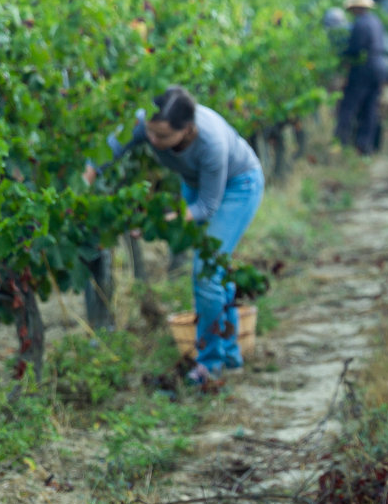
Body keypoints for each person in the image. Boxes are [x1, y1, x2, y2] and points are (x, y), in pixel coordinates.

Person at [86, 87, 266, 387]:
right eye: (150, 132)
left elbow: (206, 207)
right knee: (215, 270)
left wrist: (157, 224)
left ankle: (210, 363)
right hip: (194, 182)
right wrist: (88, 173)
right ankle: (230, 353)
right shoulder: (146, 121)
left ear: (188, 129)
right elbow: (113, 147)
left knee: (206, 271)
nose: (153, 140)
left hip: (238, 186)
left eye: (163, 136)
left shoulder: (211, 143)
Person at [337, 0, 386, 154]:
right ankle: (366, 145)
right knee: (370, 107)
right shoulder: (375, 21)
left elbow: (354, 50)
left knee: (349, 106)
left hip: (364, 68)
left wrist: (341, 57)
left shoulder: (359, 24)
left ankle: (342, 142)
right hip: (379, 66)